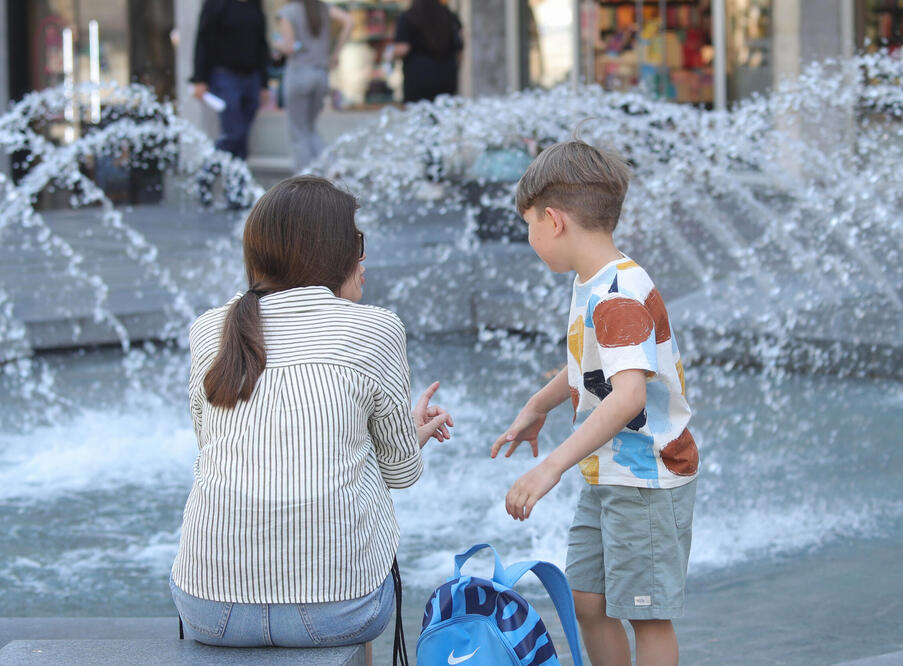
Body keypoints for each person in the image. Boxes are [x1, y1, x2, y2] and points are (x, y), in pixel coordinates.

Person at [170, 175, 454, 647]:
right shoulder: (376, 328)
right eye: (358, 243)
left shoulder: (210, 329)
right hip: (337, 610)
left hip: (208, 606)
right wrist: (410, 430)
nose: (365, 259)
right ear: (334, 251)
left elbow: (214, 446)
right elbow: (402, 474)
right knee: (363, 550)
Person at [490, 139, 699, 666]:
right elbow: (591, 362)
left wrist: (551, 467)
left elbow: (628, 396)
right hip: (607, 473)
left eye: (529, 225)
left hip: (646, 478)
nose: (531, 237)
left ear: (553, 220)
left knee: (646, 613)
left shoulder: (618, 296)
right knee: (589, 600)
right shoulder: (595, 282)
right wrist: (540, 404)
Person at [274, 0, 354, 171]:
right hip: (321, 75)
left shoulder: (288, 12)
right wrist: (336, 52)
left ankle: (306, 181)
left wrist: (274, 44)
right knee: (310, 129)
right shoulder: (323, 8)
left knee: (298, 133)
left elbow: (288, 47)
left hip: (299, 74)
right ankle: (331, 167)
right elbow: (349, 21)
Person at [191, 0, 270, 161]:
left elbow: (262, 45)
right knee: (233, 134)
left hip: (251, 77)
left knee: (240, 136)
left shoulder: (255, 6)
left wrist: (264, 83)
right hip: (224, 75)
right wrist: (199, 78)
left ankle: (234, 181)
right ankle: (207, 177)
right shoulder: (216, 5)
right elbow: (203, 40)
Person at [392, 0, 463, 103]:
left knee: (417, 115)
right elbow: (459, 47)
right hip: (446, 76)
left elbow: (403, 48)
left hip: (418, 78)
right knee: (445, 113)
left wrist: (390, 54)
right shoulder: (448, 15)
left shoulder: (408, 16)